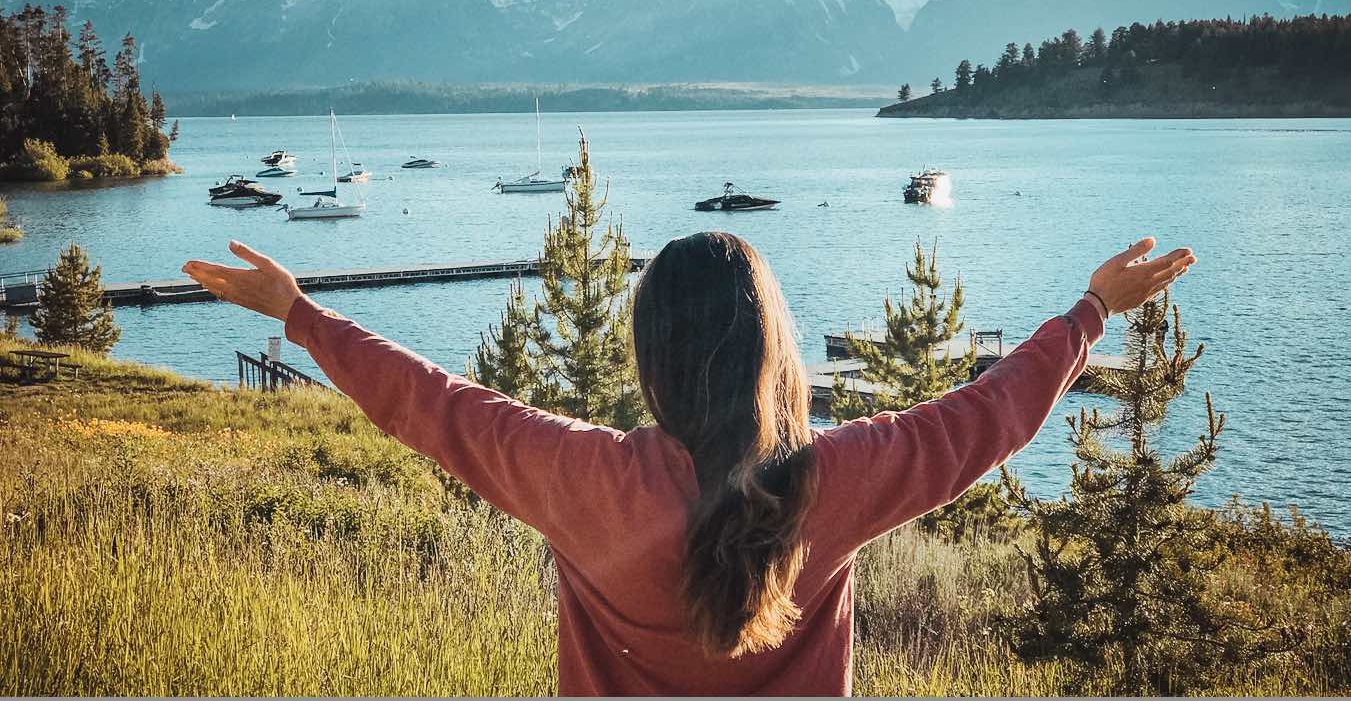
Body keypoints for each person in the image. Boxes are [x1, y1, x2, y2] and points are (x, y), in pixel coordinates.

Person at [183, 233, 1194, 696]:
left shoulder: (580, 475)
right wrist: (1088, 312)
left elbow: (437, 407)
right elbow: (983, 416)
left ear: (652, 358)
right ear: (775, 351)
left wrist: (301, 315)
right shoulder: (835, 477)